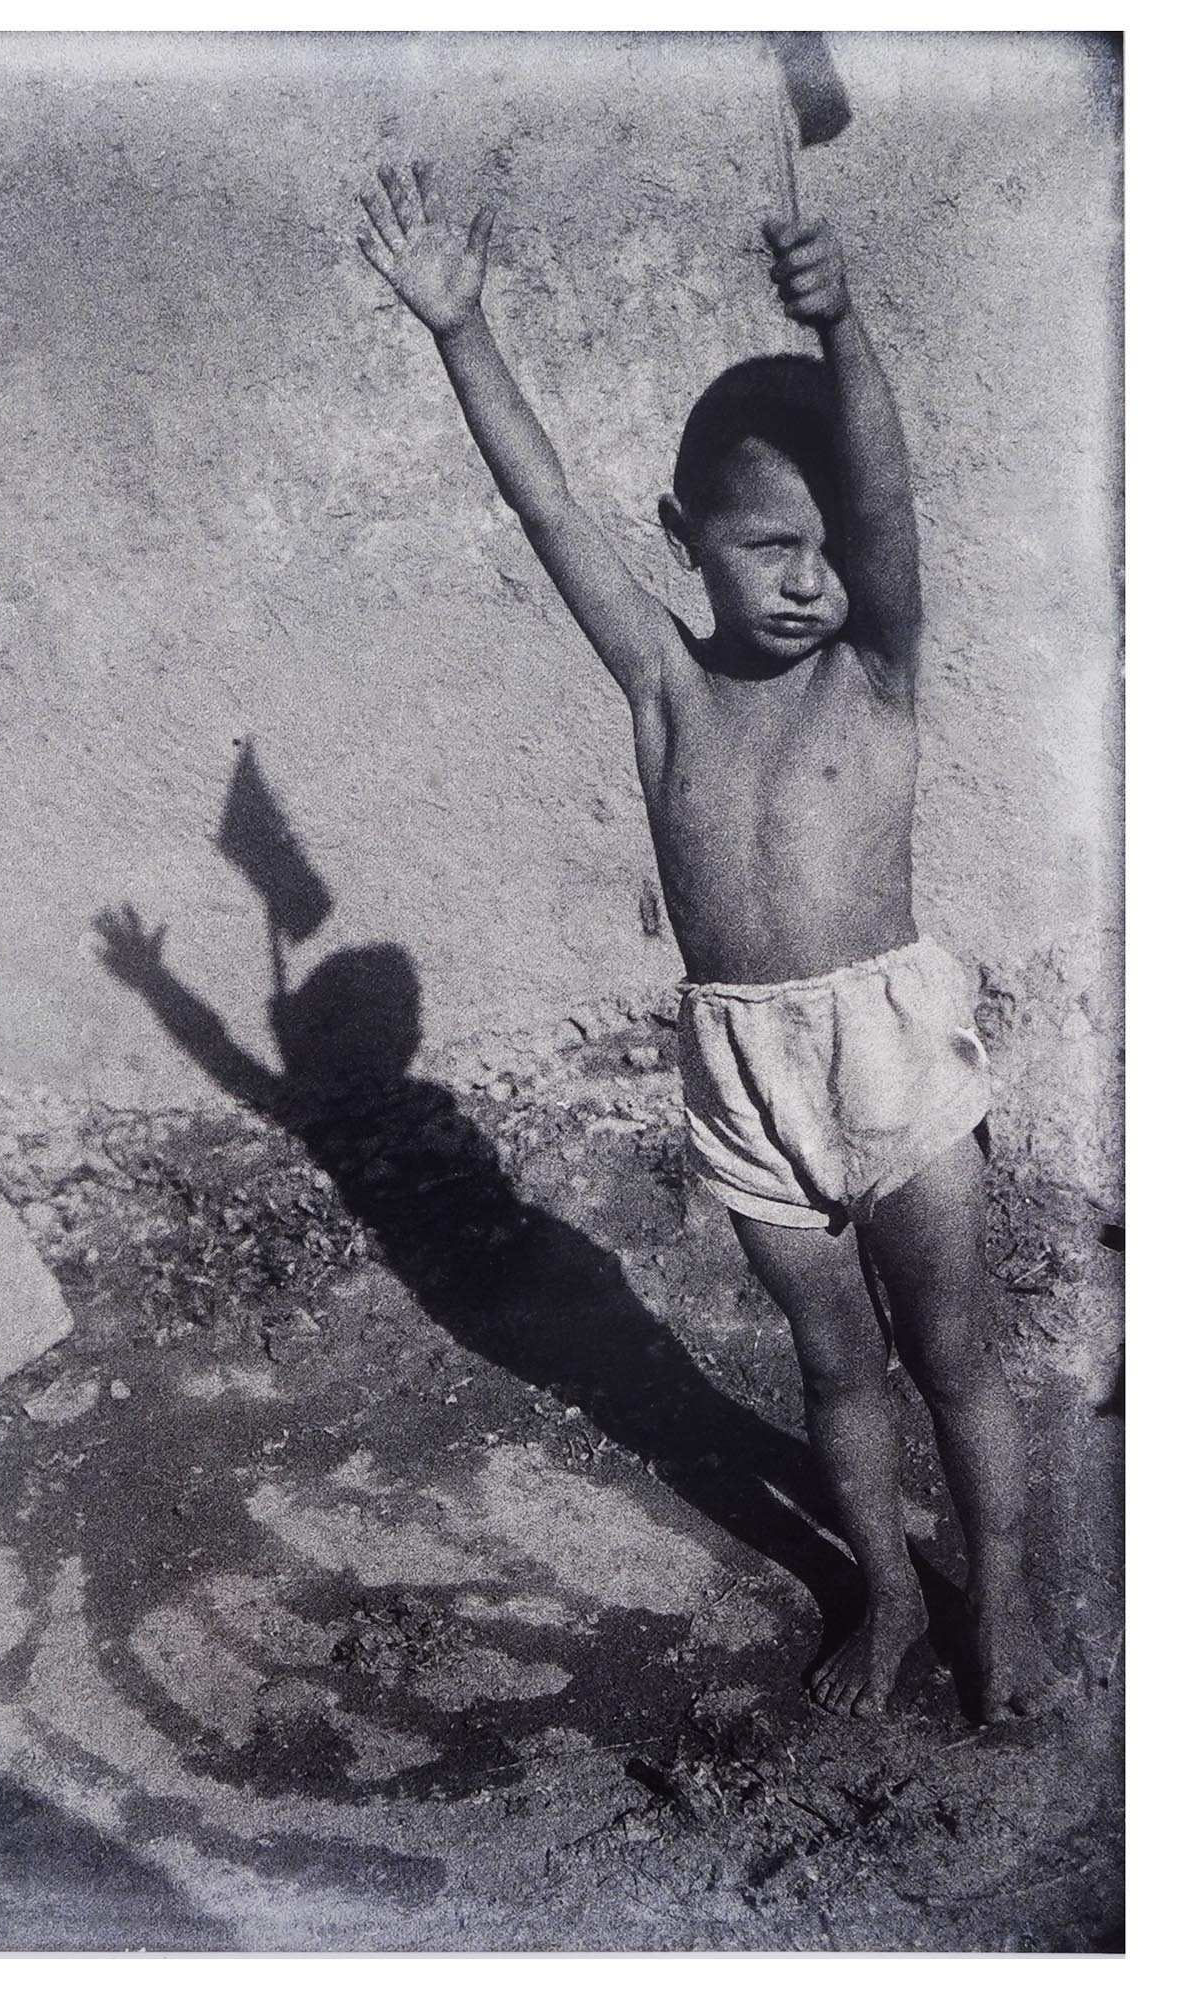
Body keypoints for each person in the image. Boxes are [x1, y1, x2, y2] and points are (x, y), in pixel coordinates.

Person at [356, 159, 1064, 1722]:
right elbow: (543, 509)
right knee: (834, 1368)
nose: (807, 578)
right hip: (745, 1068)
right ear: (686, 540)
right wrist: (461, 331)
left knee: (953, 1354)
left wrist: (846, 328)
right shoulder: (667, 693)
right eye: (763, 548)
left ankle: (998, 1597)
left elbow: (883, 492)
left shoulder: (874, 673)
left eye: (824, 550)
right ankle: (884, 1594)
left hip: (889, 1044)